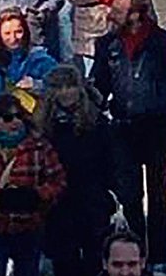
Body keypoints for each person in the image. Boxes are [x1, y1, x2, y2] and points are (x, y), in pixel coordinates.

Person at [90, 0, 166, 273]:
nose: (111, 14)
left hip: (155, 130)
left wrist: (154, 109)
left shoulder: (164, 43)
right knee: (130, 197)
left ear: (135, 14)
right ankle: (136, 255)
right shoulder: (108, 44)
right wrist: (90, 102)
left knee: (157, 197)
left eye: (118, 10)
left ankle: (158, 261)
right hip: (122, 129)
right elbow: (100, 84)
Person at [36, 64, 114, 276]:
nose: (65, 92)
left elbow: (110, 159)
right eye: (59, 87)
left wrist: (112, 193)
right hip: (58, 202)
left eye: (70, 86)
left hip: (92, 198)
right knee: (64, 261)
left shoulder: (96, 121)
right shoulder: (44, 126)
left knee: (95, 258)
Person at [0, 94, 66, 276]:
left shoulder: (39, 146)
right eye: (8, 118)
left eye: (19, 116)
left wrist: (37, 195)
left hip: (30, 228)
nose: (16, 122)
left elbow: (58, 181)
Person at [0, 8, 56, 99]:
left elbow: (60, 86)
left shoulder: (40, 59)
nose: (13, 38)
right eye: (7, 33)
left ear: (25, 32)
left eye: (18, 32)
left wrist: (36, 85)